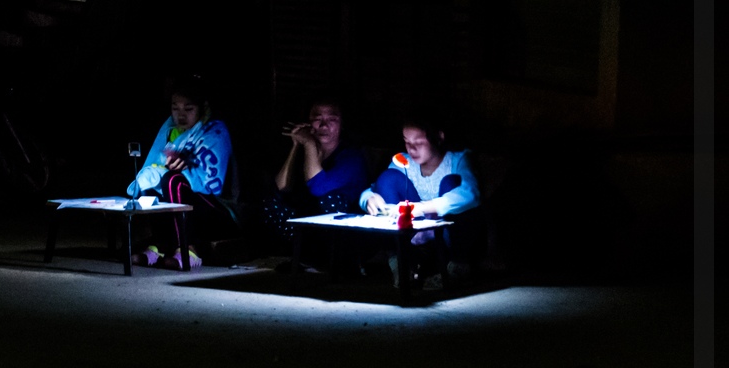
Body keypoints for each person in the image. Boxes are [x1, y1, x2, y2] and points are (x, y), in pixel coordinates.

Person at [125, 77, 237, 270]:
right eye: (175, 108)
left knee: (173, 180)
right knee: (153, 183)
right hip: (186, 210)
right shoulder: (169, 130)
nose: (181, 115)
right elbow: (154, 164)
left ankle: (187, 249)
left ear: (202, 107)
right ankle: (160, 245)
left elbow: (213, 182)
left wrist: (187, 167)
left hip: (217, 212)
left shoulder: (215, 131)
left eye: (188, 108)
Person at [361, 114, 482, 288]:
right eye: (407, 142)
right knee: (388, 178)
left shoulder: (458, 159)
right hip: (414, 237)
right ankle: (402, 265)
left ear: (438, 137)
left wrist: (424, 208)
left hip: (450, 235)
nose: (412, 149)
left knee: (451, 182)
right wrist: (369, 199)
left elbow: (471, 193)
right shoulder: (404, 161)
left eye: (418, 142)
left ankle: (457, 268)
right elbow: (374, 188)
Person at [258, 99, 368, 259]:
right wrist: (296, 145)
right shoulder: (306, 148)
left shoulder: (351, 157)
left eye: (332, 120)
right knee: (271, 202)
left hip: (340, 233)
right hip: (305, 226)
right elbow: (281, 188)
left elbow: (318, 188)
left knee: (330, 199)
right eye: (317, 119)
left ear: (341, 124)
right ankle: (294, 253)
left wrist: (309, 143)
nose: (323, 126)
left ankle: (326, 259)